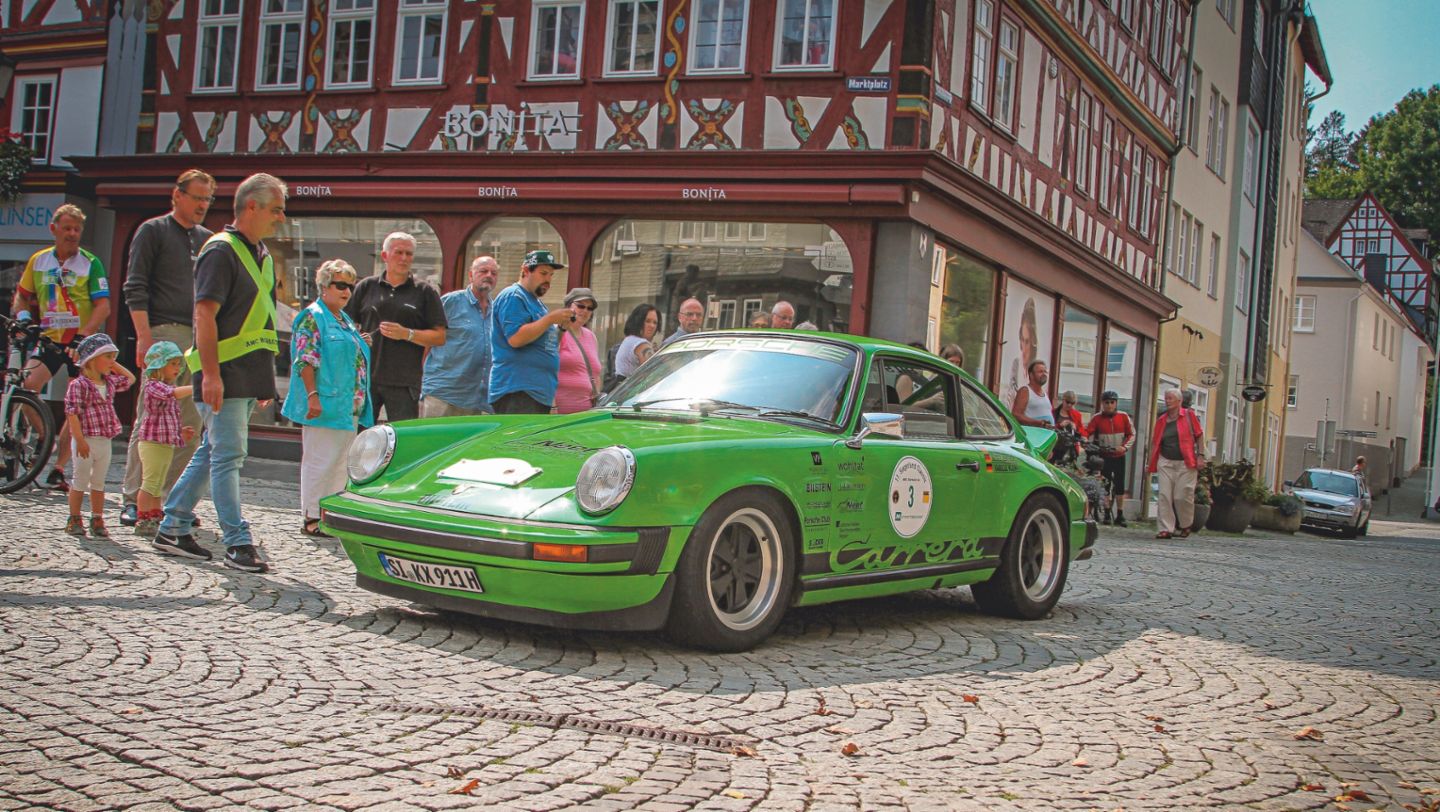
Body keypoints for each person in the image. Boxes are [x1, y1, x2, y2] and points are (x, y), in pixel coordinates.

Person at [153, 173, 288, 573]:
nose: (281, 217)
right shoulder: (221, 250)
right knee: (229, 455)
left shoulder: (260, 253)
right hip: (223, 373)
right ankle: (237, 542)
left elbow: (259, 322)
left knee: (215, 451)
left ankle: (173, 525)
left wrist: (263, 380)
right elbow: (203, 314)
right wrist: (210, 375)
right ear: (252, 207)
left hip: (244, 373)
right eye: (276, 209)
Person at [120, 170, 214, 526]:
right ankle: (135, 497)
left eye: (208, 199)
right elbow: (136, 286)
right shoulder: (153, 230)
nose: (203, 205)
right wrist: (144, 336)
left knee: (190, 422)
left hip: (197, 335)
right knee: (151, 418)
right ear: (177, 195)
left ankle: (168, 501)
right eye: (197, 197)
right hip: (161, 332)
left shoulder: (208, 239)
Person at [11, 203, 111, 490]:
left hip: (80, 344)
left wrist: (85, 336)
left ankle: (57, 469)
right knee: (24, 386)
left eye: (77, 229)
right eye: (66, 228)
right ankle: (46, 437)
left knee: (75, 406)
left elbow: (103, 306)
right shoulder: (39, 260)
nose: (72, 234)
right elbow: (21, 296)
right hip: (49, 338)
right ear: (53, 229)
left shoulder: (91, 263)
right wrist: (24, 317)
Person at [282, 260, 373, 538]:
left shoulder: (343, 319)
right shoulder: (312, 316)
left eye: (351, 285)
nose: (347, 291)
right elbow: (305, 359)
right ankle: (311, 516)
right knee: (320, 461)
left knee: (339, 463)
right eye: (341, 285)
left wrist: (360, 342)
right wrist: (312, 395)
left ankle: (330, 515)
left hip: (348, 405)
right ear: (324, 287)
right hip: (326, 403)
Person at [345, 232, 447, 423]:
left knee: (401, 440)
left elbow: (439, 337)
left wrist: (407, 334)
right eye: (398, 252)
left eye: (409, 254)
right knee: (360, 437)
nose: (404, 258)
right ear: (385, 256)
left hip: (404, 383)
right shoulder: (366, 286)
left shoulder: (425, 291)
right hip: (366, 379)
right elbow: (347, 326)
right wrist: (358, 339)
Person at [62, 334, 134, 538]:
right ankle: (74, 517)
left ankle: (97, 517)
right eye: (108, 356)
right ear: (92, 359)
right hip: (85, 440)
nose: (112, 361)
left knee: (99, 481)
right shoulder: (79, 385)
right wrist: (80, 440)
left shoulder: (109, 382)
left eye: (114, 357)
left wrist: (113, 363)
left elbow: (131, 379)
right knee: (80, 479)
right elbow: (72, 414)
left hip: (104, 439)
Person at [489, 250, 572, 414]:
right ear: (526, 271)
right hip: (518, 390)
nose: (548, 280)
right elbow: (515, 338)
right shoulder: (514, 296)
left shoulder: (538, 304)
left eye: (551, 275)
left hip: (538, 392)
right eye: (543, 273)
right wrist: (549, 319)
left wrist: (561, 328)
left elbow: (548, 344)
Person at [132, 342, 197, 538]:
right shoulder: (153, 386)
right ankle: (142, 518)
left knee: (158, 483)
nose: (177, 369)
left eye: (179, 364)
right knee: (150, 482)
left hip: (164, 442)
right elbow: (173, 394)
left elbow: (168, 418)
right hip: (152, 443)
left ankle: (154, 515)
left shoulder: (165, 386)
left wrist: (179, 433)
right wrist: (196, 387)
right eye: (173, 364)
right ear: (159, 366)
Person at [420, 255, 497, 417]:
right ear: (470, 275)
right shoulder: (450, 302)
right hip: (443, 393)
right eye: (483, 271)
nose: (489, 275)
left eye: (493, 273)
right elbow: (426, 341)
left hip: (477, 398)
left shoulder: (496, 310)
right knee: (437, 441)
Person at [1148, 387, 1205, 539]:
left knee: (1182, 495)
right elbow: (1155, 442)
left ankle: (1186, 524)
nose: (1167, 401)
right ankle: (1165, 529)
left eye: (1170, 398)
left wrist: (1201, 455)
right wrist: (1151, 461)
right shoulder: (1161, 420)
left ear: (1179, 401)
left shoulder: (1189, 416)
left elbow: (1199, 435)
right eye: (1166, 398)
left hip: (1186, 462)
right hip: (1166, 461)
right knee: (1164, 495)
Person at [1086, 390, 1135, 526]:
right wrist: (1085, 440)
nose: (1109, 405)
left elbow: (1131, 434)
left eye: (1112, 402)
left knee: (1120, 485)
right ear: (1102, 403)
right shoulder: (1097, 418)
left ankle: (1120, 513)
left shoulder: (1123, 417)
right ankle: (1107, 513)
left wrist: (1124, 447)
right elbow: (1087, 431)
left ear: (1116, 403)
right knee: (1106, 485)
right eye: (1106, 402)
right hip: (1104, 455)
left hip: (1119, 455)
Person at [555, 288, 602, 414]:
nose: (585, 311)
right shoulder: (558, 332)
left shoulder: (591, 337)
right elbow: (545, 371)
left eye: (589, 308)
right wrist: (552, 406)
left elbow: (596, 373)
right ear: (568, 306)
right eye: (580, 306)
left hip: (585, 414)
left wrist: (595, 390)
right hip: (559, 413)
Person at [1001, 297, 1039, 410]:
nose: (1023, 347)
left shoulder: (1036, 373)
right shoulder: (1016, 365)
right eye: (1022, 339)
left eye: (1027, 341)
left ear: (1033, 343)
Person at [614, 304, 660, 382]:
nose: (652, 326)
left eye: (655, 322)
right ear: (638, 321)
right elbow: (654, 375)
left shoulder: (629, 339)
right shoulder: (641, 344)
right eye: (647, 321)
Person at [1010, 360, 1054, 427]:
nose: (1044, 374)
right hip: (1033, 434)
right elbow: (1016, 415)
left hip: (1045, 434)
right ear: (1031, 375)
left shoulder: (1044, 393)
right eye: (1040, 372)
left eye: (1045, 372)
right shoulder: (1025, 391)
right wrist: (1039, 423)